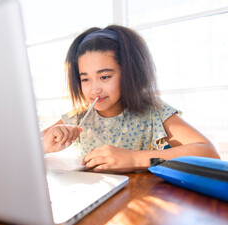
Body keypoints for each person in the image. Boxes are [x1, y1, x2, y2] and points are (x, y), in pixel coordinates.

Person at [42, 25, 220, 173]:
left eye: (104, 77)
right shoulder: (77, 118)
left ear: (129, 73)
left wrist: (134, 158)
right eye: (85, 79)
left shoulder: (154, 112)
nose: (94, 89)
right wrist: (44, 146)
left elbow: (209, 153)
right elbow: (24, 150)